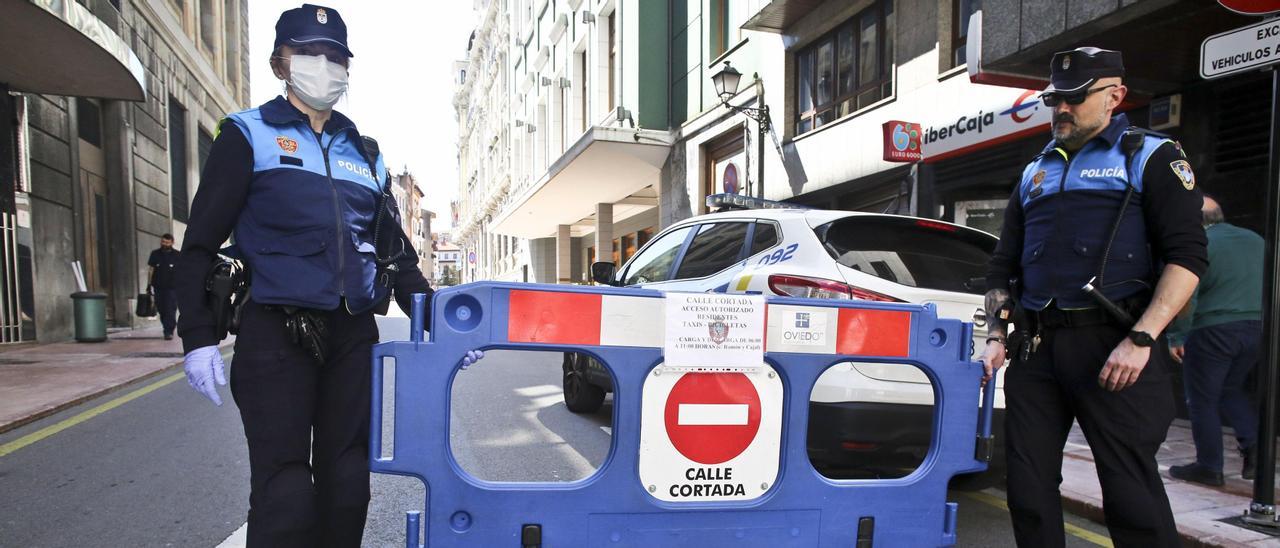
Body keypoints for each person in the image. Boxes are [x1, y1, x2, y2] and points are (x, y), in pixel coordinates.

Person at [173, 5, 479, 546]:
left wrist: (442, 322)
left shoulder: (364, 152)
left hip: (350, 334)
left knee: (346, 486)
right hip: (275, 335)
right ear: (280, 62)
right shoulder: (247, 135)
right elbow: (198, 244)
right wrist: (197, 337)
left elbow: (395, 252)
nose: (324, 65)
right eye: (310, 52)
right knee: (286, 492)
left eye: (336, 56)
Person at [980, 47, 1207, 547]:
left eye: (1075, 98)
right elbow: (1004, 262)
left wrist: (1143, 337)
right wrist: (997, 332)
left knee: (1130, 495)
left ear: (1115, 96)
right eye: (1055, 99)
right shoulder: (1034, 169)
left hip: (1116, 345)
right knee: (1026, 487)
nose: (1062, 109)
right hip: (1038, 349)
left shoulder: (1150, 155)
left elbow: (1187, 257)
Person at [1166, 195, 1263, 486]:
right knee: (1231, 389)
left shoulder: (1200, 243)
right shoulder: (1256, 240)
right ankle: (1255, 454)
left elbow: (1187, 294)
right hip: (1256, 327)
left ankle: (1209, 466)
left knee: (1201, 399)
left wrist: (1177, 335)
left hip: (1213, 329)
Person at [147, 233, 180, 340]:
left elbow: (182, 271)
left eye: (167, 242)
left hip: (172, 288)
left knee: (170, 309)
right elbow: (151, 270)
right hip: (158, 287)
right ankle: (166, 327)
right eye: (163, 242)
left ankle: (168, 331)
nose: (164, 244)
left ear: (172, 242)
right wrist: (149, 285)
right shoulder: (155, 254)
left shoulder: (177, 255)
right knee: (161, 309)